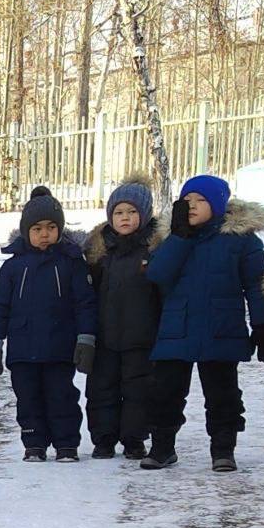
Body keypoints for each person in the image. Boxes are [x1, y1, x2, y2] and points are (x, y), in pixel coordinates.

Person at [143, 175, 264, 472]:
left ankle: (223, 450)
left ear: (216, 205)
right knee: (166, 393)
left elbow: (256, 284)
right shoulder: (172, 238)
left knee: (223, 394)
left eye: (200, 200)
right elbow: (157, 274)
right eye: (187, 200)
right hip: (177, 328)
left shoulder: (241, 241)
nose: (192, 206)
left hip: (221, 329)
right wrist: (179, 237)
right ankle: (162, 447)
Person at [0, 186, 97, 462]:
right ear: (26, 231)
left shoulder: (71, 263)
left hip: (60, 347)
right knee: (28, 398)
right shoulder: (12, 267)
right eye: (37, 229)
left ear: (60, 229)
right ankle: (34, 443)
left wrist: (86, 338)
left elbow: (85, 303)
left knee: (62, 397)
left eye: (50, 227)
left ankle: (66, 444)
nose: (44, 234)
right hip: (23, 349)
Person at [83, 175, 162, 460]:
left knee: (139, 392)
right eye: (118, 212)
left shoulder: (154, 249)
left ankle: (134, 440)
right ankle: (103, 439)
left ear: (144, 214)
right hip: (105, 337)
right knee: (101, 390)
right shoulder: (98, 251)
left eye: (131, 212)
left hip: (142, 337)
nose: (125, 218)